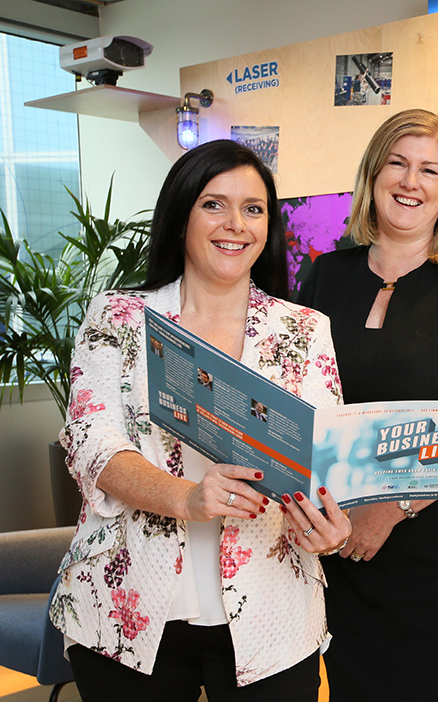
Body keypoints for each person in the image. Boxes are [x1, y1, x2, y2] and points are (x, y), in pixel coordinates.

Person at [51, 140, 353, 702]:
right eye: (214, 204)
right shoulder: (117, 317)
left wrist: (327, 529)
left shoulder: (304, 330)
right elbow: (92, 446)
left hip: (271, 617)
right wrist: (187, 498)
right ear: (180, 215)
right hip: (126, 609)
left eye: (253, 208)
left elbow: (321, 467)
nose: (236, 224)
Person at [297, 109, 438, 701]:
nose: (410, 181)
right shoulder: (324, 276)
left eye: (429, 170)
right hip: (336, 541)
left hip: (433, 552)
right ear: (373, 175)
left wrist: (393, 507)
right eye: (396, 163)